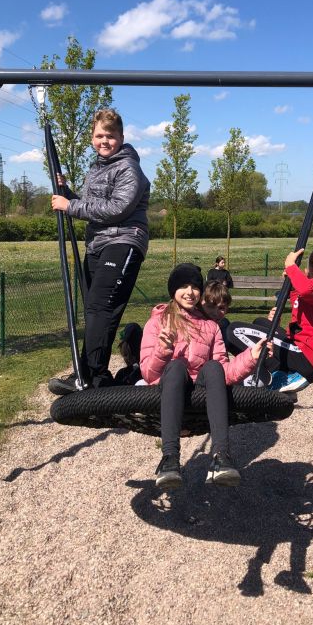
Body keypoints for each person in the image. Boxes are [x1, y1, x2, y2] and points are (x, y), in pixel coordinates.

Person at [140, 263, 270, 489]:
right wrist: (163, 351)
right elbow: (149, 374)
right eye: (183, 286)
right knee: (176, 366)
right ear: (173, 289)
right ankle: (170, 458)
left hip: (201, 388)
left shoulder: (211, 327)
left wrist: (251, 356)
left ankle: (221, 456)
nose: (190, 292)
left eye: (195, 287)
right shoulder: (157, 322)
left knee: (213, 367)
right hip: (171, 386)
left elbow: (224, 372)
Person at [49, 108, 150, 392]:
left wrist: (71, 206)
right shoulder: (96, 168)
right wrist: (68, 194)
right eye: (99, 135)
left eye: (110, 135)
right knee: (96, 311)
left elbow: (117, 208)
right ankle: (95, 376)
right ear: (92, 137)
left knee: (100, 306)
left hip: (124, 240)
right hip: (97, 243)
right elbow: (93, 207)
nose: (104, 141)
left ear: (121, 137)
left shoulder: (128, 168)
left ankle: (88, 375)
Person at [226, 248, 313, 393]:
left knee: (234, 331)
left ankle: (274, 371)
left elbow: (307, 290)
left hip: (306, 355)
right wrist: (292, 282)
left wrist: (291, 266)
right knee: (261, 323)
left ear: (307, 272)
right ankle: (282, 371)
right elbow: (302, 306)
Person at [200, 280, 231, 351]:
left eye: (221, 308)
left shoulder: (225, 328)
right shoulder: (190, 329)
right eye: (210, 306)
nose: (215, 313)